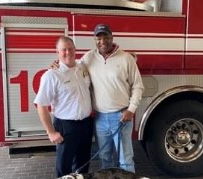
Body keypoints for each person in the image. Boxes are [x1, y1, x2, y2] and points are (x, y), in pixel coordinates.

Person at [80, 24, 143, 172]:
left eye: (106, 37)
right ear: (94, 40)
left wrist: (131, 110)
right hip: (100, 118)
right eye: (99, 38)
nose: (102, 41)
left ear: (112, 38)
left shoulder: (126, 58)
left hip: (121, 117)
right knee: (104, 158)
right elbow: (72, 69)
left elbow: (138, 86)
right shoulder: (89, 57)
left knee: (125, 160)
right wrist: (57, 65)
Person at [34, 35, 93, 177]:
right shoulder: (51, 75)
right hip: (66, 127)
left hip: (86, 124)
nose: (68, 52)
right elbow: (41, 105)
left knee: (83, 165)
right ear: (57, 52)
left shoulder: (82, 67)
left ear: (75, 50)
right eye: (64, 50)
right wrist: (51, 132)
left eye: (71, 49)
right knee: (64, 168)